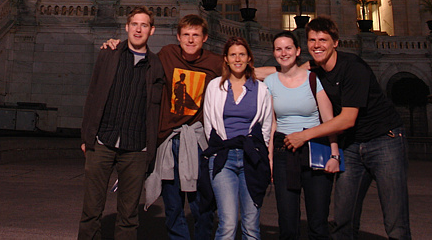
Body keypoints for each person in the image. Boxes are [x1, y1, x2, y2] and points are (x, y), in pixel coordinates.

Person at [284, 16, 411, 240]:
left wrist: (303, 136)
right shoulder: (314, 66)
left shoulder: (353, 68)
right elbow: (285, 74)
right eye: (312, 40)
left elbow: (347, 120)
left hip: (385, 140)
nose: (317, 45)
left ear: (336, 43)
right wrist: (245, 70)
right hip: (352, 145)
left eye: (323, 40)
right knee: (343, 217)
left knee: (395, 218)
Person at [103, 14, 223, 240]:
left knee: (203, 206)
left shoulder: (215, 63)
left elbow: (244, 73)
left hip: (197, 144)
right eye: (186, 35)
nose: (190, 40)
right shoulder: (168, 54)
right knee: (173, 206)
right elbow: (141, 60)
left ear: (205, 38)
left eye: (195, 35)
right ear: (178, 36)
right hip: (168, 142)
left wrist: (286, 70)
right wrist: (115, 46)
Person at [79, 7, 165, 240]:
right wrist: (87, 136)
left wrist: (150, 149)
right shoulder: (109, 53)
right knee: (91, 212)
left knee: (128, 218)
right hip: (103, 141)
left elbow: (155, 110)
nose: (138, 29)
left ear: (152, 30)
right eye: (134, 24)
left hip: (136, 148)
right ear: (126, 27)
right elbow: (93, 94)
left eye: (144, 25)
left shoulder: (156, 65)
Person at [264, 30, 338, 240]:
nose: (283, 53)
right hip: (283, 149)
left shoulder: (313, 78)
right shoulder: (270, 82)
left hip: (316, 148)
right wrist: (269, 159)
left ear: (297, 51)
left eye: (288, 48)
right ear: (274, 53)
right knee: (287, 221)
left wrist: (334, 155)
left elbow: (329, 120)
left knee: (318, 221)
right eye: (278, 49)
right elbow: (272, 124)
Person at [202, 37, 272, 240]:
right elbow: (209, 124)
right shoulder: (215, 86)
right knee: (228, 224)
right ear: (226, 59)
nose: (238, 59)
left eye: (242, 54)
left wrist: (260, 153)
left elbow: (265, 128)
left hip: (252, 158)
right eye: (233, 54)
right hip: (224, 158)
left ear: (249, 58)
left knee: (251, 226)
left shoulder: (261, 89)